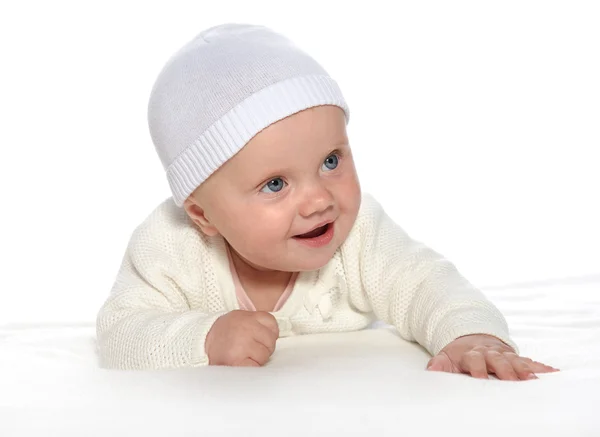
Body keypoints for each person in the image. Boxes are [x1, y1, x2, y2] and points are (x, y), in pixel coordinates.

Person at [96, 23, 558, 380]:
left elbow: (423, 282)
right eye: (275, 184)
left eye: (331, 160)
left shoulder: (359, 236)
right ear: (202, 215)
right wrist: (205, 339)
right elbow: (119, 332)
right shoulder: (170, 248)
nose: (319, 199)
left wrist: (469, 334)